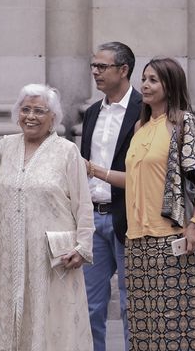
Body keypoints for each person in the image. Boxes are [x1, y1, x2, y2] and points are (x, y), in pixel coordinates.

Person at [0, 84, 93, 350]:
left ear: (53, 118)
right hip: (10, 256)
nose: (31, 116)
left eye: (39, 110)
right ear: (17, 114)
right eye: (25, 109)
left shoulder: (67, 151)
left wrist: (82, 247)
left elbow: (83, 204)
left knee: (53, 322)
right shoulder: (3, 148)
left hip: (53, 257)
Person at [117, 57, 195, 349]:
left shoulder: (182, 123)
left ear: (170, 84)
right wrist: (95, 171)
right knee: (143, 328)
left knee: (172, 326)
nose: (145, 85)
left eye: (154, 80)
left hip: (170, 237)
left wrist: (194, 226)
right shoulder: (140, 127)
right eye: (144, 79)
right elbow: (134, 179)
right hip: (136, 239)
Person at [80, 42, 140, 350]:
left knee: (133, 305)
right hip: (92, 218)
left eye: (102, 67)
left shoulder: (145, 110)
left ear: (123, 70)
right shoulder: (92, 112)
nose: (95, 72)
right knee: (90, 305)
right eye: (93, 66)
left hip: (129, 218)